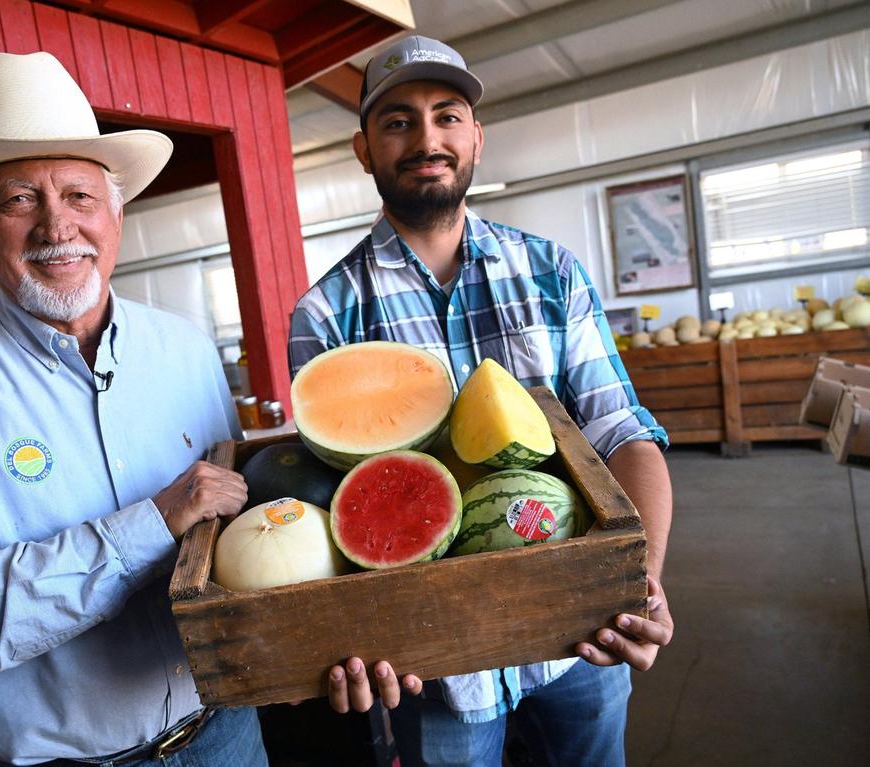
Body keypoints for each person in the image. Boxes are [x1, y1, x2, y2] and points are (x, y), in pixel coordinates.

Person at [0, 51, 267, 767]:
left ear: (116, 214)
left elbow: (234, 541)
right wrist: (148, 526)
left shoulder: (186, 349)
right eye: (19, 200)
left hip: (224, 734)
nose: (56, 226)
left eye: (79, 195)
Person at [289, 35, 675, 766]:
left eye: (448, 116)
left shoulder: (553, 272)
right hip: (435, 669)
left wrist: (640, 575)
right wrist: (346, 627)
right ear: (363, 149)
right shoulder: (326, 314)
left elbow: (622, 431)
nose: (426, 139)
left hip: (579, 641)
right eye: (397, 121)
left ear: (476, 137)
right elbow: (340, 501)